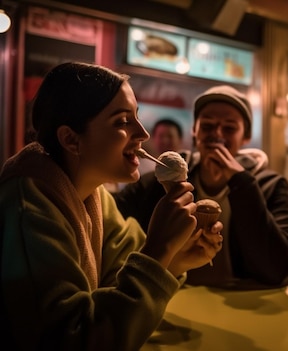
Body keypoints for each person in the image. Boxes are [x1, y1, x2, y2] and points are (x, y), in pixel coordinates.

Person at [0, 62, 222, 350]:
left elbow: (118, 274)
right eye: (121, 121)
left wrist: (175, 258)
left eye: (137, 118)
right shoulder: (28, 207)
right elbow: (72, 339)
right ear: (70, 139)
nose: (143, 133)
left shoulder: (94, 195)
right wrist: (159, 251)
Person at [115, 85, 288, 289]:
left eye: (229, 128)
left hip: (242, 300)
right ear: (194, 131)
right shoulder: (165, 178)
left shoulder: (268, 185)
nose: (217, 135)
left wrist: (242, 183)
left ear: (245, 137)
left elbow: (277, 269)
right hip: (174, 295)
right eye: (207, 126)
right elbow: (114, 222)